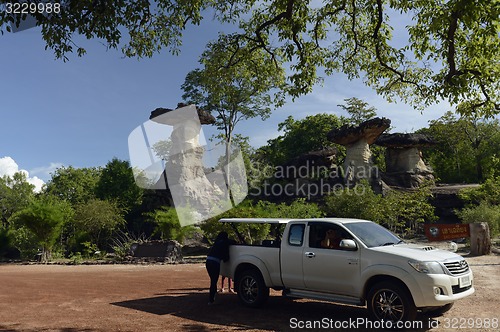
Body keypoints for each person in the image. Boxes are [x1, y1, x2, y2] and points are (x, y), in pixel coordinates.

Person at [206, 231, 232, 305]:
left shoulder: (216, 242)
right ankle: (211, 300)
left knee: (212, 280)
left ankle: (213, 297)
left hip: (208, 261)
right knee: (214, 281)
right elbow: (226, 257)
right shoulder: (225, 243)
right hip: (215, 262)